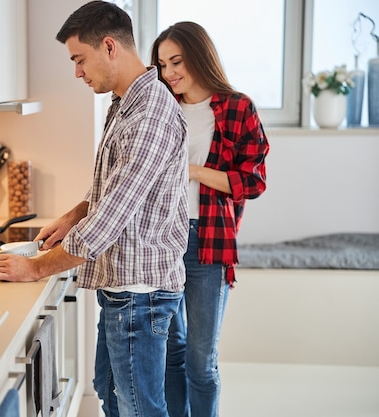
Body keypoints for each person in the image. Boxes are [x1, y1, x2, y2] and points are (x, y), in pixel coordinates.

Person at [0, 1, 189, 415]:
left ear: (109, 47)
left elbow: (111, 219)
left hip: (140, 295)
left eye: (79, 59)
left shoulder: (148, 114)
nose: (77, 72)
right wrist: (72, 216)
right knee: (111, 394)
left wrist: (35, 268)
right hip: (126, 290)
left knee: (139, 409)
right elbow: (114, 191)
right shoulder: (124, 103)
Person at [150, 21, 270, 417]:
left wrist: (195, 171)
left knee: (201, 362)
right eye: (163, 64)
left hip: (209, 240)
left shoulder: (237, 107)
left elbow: (253, 181)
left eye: (177, 61)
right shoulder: (161, 105)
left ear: (199, 56)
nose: (169, 73)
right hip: (162, 239)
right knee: (172, 350)